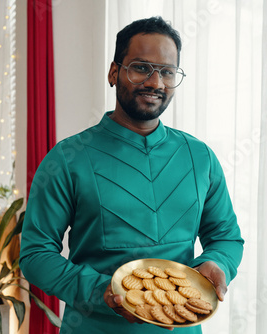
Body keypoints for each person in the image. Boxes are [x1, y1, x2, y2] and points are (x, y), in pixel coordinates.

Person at [19, 16, 244, 334]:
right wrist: (103, 292)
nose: (155, 83)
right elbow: (35, 254)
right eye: (141, 68)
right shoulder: (67, 159)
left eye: (167, 72)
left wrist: (219, 262)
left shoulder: (200, 156)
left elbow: (225, 236)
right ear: (114, 73)